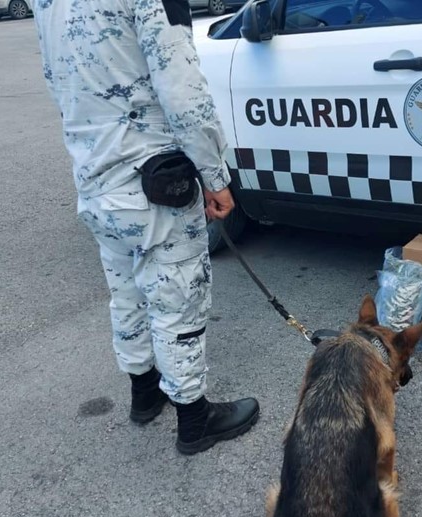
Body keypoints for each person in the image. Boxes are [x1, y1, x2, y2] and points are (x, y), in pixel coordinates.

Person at [33, 0, 259, 455]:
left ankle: (144, 393)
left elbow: (55, 80)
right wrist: (216, 177)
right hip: (152, 180)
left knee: (127, 292)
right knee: (179, 297)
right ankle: (195, 420)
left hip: (95, 177)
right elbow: (184, 93)